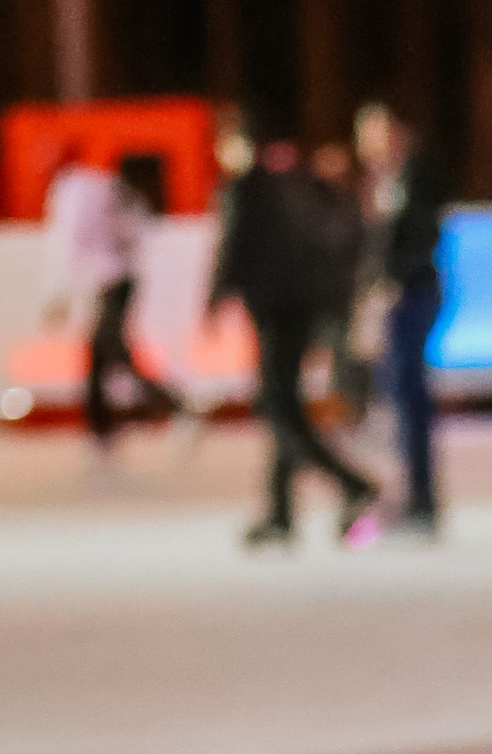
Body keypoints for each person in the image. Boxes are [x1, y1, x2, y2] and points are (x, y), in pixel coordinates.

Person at [206, 129, 380, 549]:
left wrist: (214, 297)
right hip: (299, 309)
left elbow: (235, 244)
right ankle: (281, 512)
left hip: (276, 310)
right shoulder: (304, 186)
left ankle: (352, 485)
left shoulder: (250, 188)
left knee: (281, 411)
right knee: (282, 406)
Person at [43, 147, 180, 448]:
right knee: (103, 350)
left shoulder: (77, 193)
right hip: (120, 280)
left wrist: (61, 294)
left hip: (113, 282)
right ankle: (103, 421)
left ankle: (163, 404)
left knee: (109, 349)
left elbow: (73, 244)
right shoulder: (108, 190)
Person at [354, 98, 448, 533]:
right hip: (390, 297)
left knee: (409, 397)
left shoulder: (415, 175)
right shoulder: (380, 180)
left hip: (413, 294)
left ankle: (421, 501)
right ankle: (409, 495)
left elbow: (423, 234)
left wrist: (393, 278)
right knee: (394, 399)